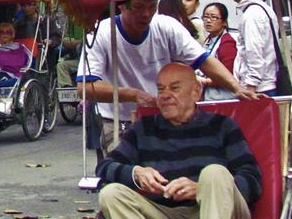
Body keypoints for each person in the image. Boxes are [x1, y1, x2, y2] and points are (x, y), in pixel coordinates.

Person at [77, 0, 257, 152]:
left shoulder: (167, 27)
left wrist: (236, 88)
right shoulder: (100, 33)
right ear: (122, 6)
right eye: (139, 7)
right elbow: (84, 86)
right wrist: (133, 95)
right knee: (125, 178)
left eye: (152, 6)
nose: (146, 14)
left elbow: (204, 60)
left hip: (166, 118)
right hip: (120, 123)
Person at [97, 63, 260, 219]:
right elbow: (104, 167)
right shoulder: (144, 129)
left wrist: (203, 190)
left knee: (214, 173)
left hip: (216, 209)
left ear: (196, 92)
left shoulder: (222, 126)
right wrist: (136, 174)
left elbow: (252, 180)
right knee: (110, 194)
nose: (165, 95)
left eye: (174, 88)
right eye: (161, 89)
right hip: (165, 212)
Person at [231, 0, 279, 96]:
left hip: (259, 88)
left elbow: (254, 51)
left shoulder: (251, 14)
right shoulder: (263, 8)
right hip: (265, 83)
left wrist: (251, 85)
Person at [199, 3, 238, 101]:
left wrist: (204, 81)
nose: (208, 20)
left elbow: (228, 74)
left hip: (223, 97)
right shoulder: (208, 40)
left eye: (214, 17)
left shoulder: (227, 42)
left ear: (224, 22)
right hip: (210, 96)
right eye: (206, 17)